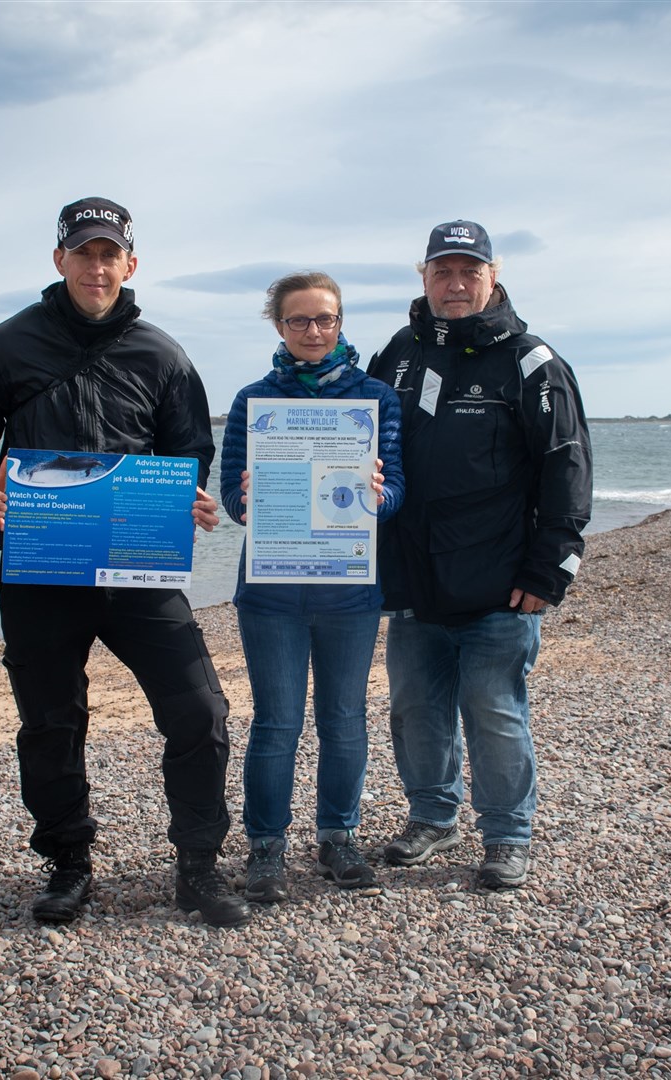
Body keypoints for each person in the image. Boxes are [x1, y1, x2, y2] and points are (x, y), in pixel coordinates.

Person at [0, 197, 249, 929]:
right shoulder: (1, 347)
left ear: (130, 265)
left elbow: (187, 448)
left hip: (137, 567)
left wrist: (189, 497)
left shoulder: (163, 354)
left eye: (110, 254)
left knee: (199, 711)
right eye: (83, 252)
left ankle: (198, 865)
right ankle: (68, 862)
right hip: (41, 568)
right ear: (59, 261)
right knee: (50, 722)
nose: (96, 266)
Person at [366, 221, 592, 890]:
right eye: (443, 271)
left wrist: (551, 569)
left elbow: (566, 466)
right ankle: (433, 817)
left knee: (493, 712)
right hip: (412, 583)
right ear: (424, 276)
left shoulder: (531, 361)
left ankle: (506, 836)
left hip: (498, 586)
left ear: (492, 277)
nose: (456, 283)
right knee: (413, 710)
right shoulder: (398, 354)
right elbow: (356, 449)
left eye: (470, 271)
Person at [220, 272, 405, 901]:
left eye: (325, 319)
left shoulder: (375, 397)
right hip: (271, 591)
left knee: (345, 719)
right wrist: (247, 502)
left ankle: (339, 837)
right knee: (275, 722)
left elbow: (398, 489)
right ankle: (265, 847)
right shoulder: (251, 402)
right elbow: (231, 499)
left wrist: (376, 496)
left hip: (349, 588)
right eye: (299, 321)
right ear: (279, 326)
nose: (313, 332)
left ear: (341, 321)